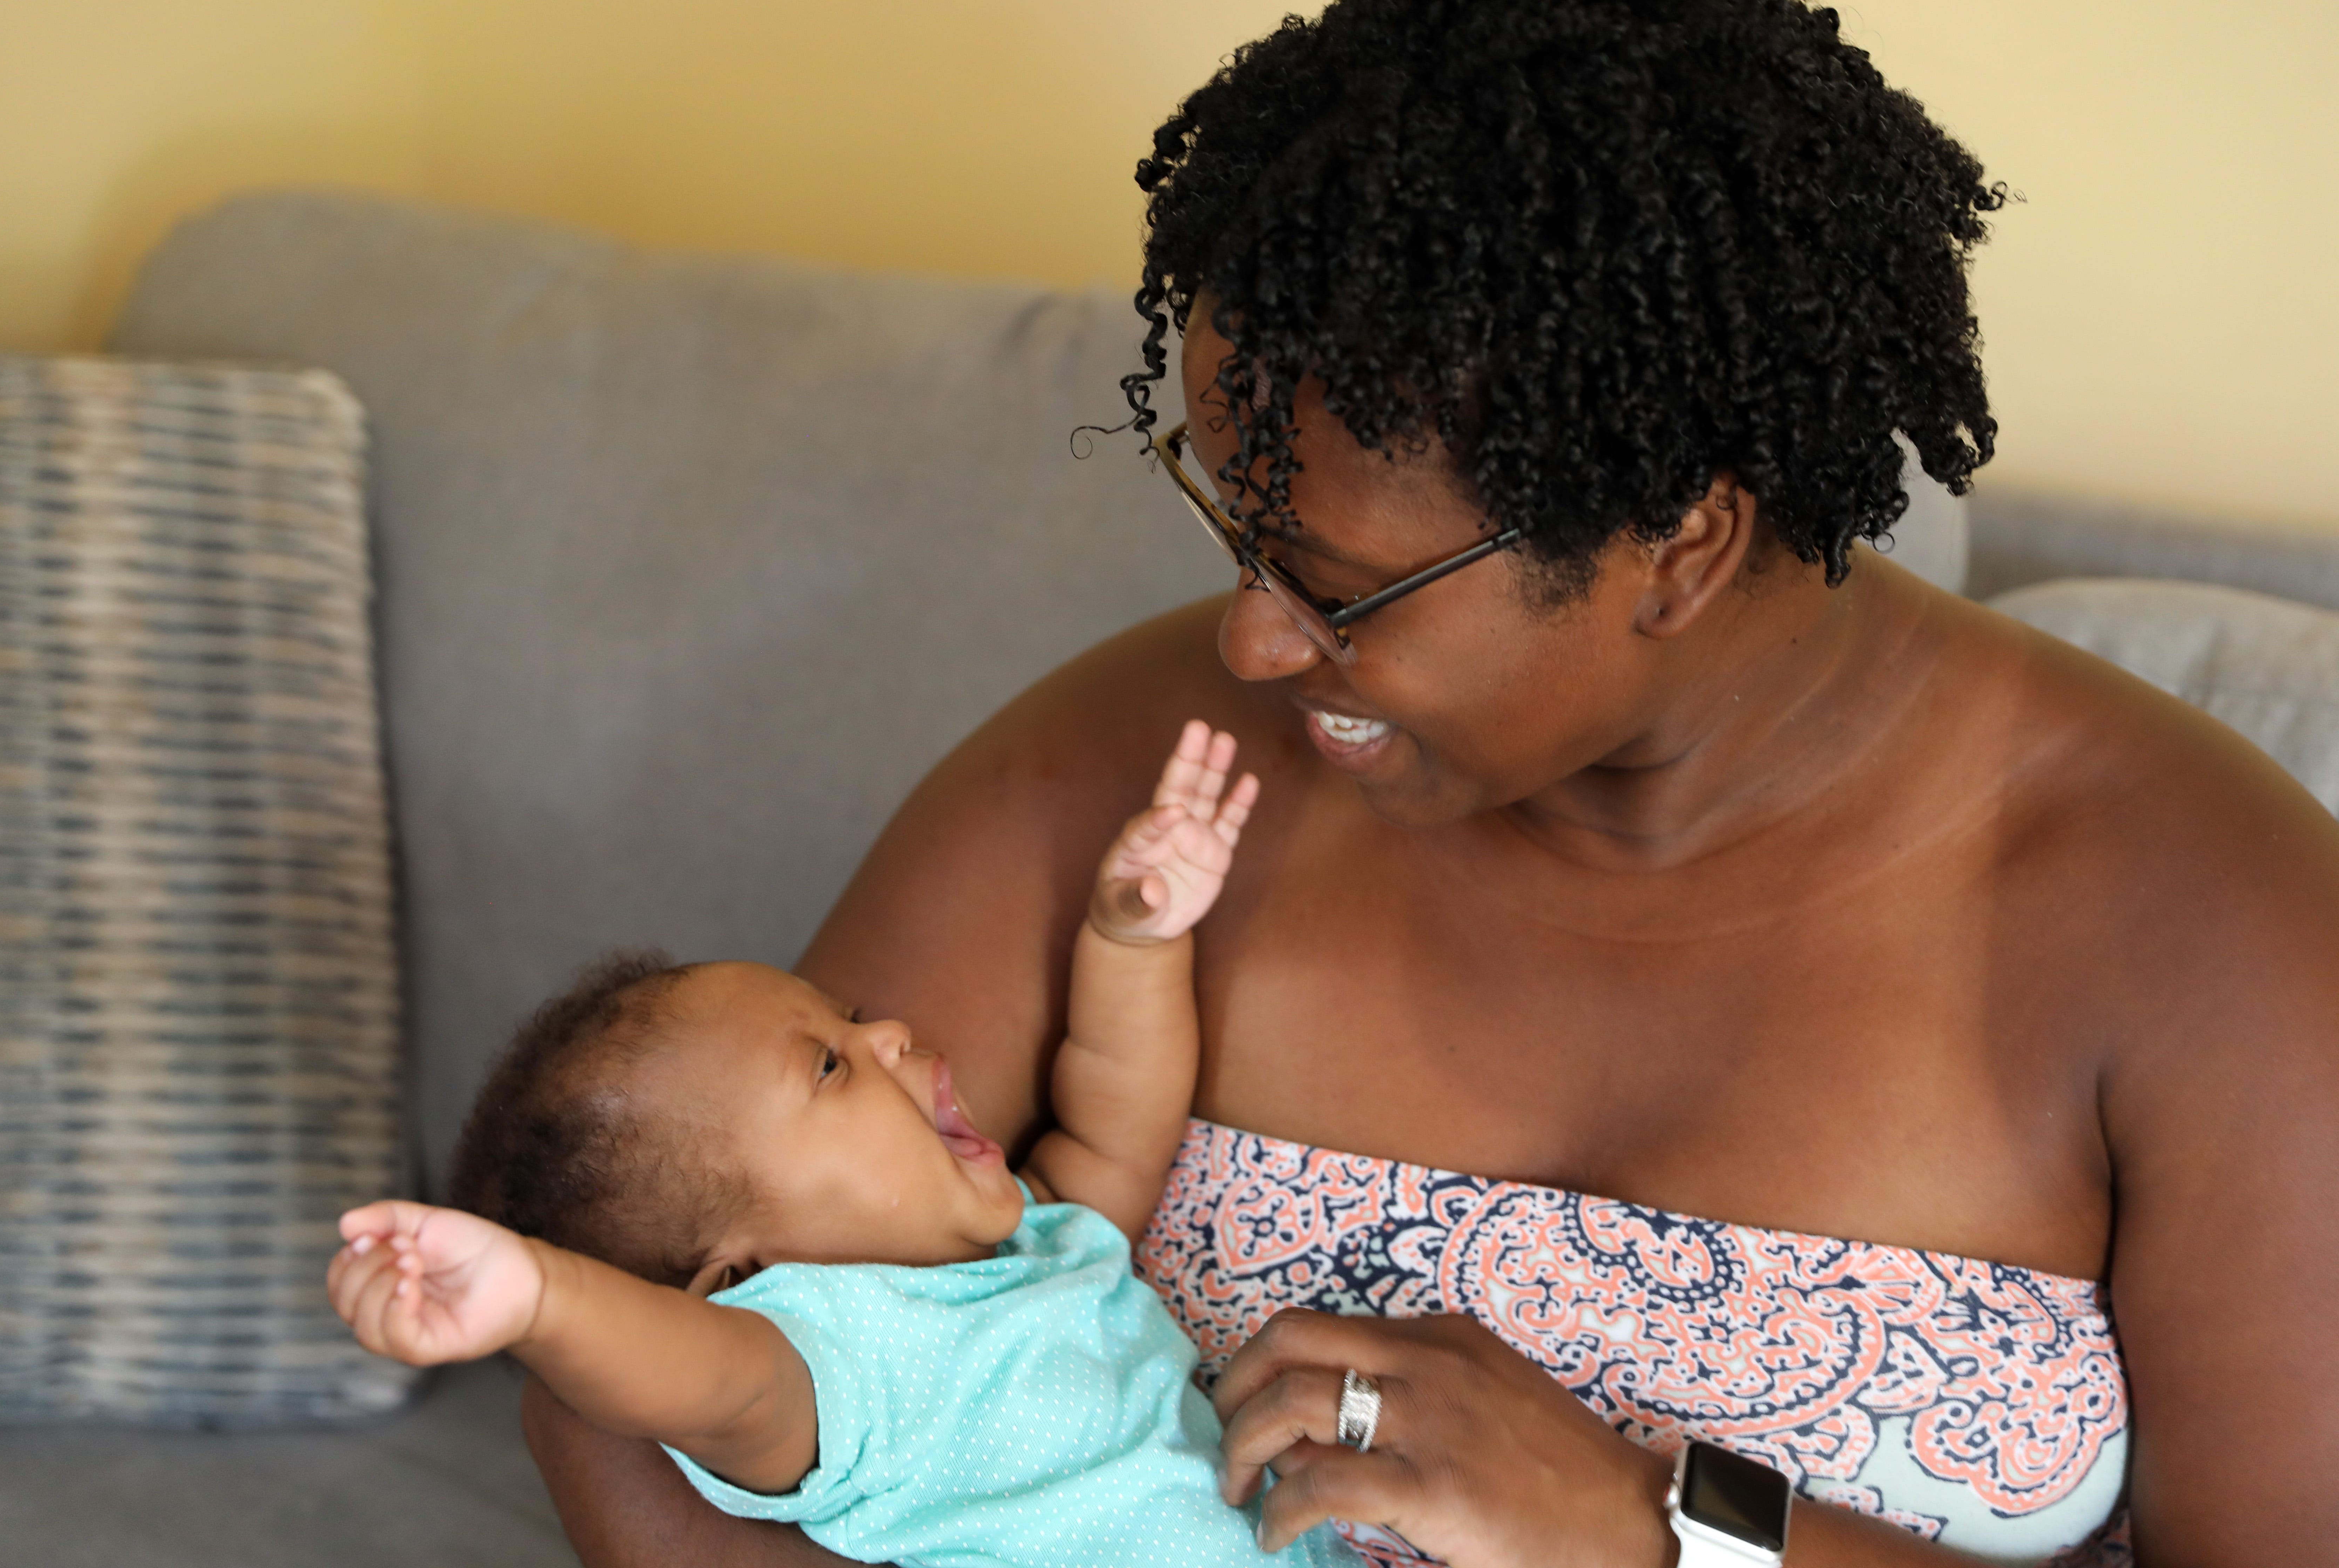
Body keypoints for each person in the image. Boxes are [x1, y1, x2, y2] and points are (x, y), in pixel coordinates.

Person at [523, 1, 2339, 1564]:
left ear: (1683, 546)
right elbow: (640, 1300)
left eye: (1330, 584)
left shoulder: (2206, 929)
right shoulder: (1142, 769)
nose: (1243, 643)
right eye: (1233, 528)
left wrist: (1658, 1522)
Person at [330, 726, 1357, 1567]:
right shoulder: (841, 1362)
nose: (889, 1036)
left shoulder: (1038, 1240)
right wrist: (542, 1300)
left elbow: (1114, 1106)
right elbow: (709, 1380)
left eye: (851, 1016)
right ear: (747, 1271)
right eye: (829, 1065)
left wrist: (1131, 937)